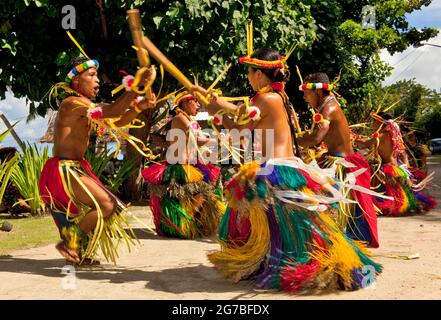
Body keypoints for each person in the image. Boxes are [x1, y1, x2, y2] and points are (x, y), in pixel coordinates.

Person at [192, 48, 382, 293]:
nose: (248, 77)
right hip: (280, 167)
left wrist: (213, 105)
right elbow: (238, 116)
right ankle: (267, 260)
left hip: (276, 170)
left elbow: (238, 129)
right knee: (285, 227)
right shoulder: (276, 97)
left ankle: (321, 266)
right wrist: (214, 103)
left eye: (250, 73)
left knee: (295, 229)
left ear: (260, 74)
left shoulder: (266, 99)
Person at [39, 57, 156, 265]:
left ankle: (77, 254)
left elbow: (117, 119)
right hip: (64, 169)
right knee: (107, 205)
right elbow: (113, 110)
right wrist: (136, 87)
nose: (97, 81)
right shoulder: (72, 103)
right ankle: (70, 242)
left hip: (76, 167)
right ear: (75, 81)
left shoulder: (85, 106)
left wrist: (139, 108)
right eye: (91, 75)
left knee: (102, 208)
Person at [297, 72, 380, 248]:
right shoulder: (326, 107)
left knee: (329, 206)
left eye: (307, 92)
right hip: (335, 160)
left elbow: (316, 138)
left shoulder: (329, 109)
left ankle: (339, 245)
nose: (304, 96)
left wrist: (290, 139)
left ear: (318, 92)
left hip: (341, 165)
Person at [142, 92, 224, 239]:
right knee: (192, 196)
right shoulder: (180, 118)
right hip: (180, 166)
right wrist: (218, 140)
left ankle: (188, 225)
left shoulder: (188, 119)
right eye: (196, 102)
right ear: (185, 103)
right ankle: (182, 225)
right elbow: (197, 139)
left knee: (202, 195)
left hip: (191, 164)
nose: (199, 105)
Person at [355, 112, 436, 215]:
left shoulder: (383, 135)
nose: (372, 124)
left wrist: (351, 138)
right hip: (395, 165)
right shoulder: (392, 134)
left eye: (374, 121)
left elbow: (364, 144)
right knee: (398, 193)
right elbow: (402, 152)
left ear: (380, 123)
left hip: (387, 167)